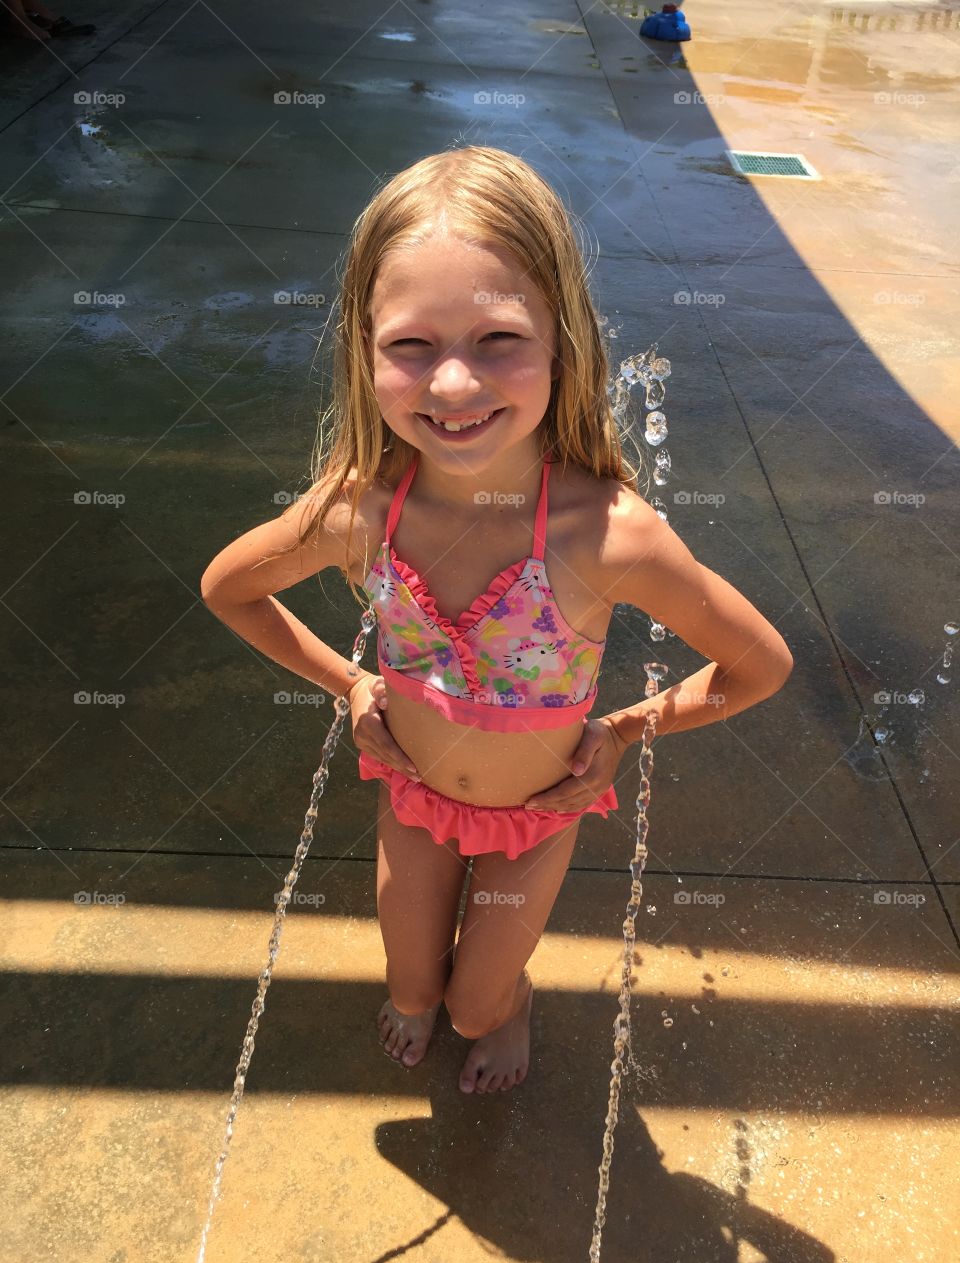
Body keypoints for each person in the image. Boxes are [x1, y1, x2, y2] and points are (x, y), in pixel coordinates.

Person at [199, 145, 793, 1097]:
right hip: (416, 799)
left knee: (473, 1004)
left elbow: (758, 665)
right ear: (365, 351)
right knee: (409, 984)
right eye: (412, 346)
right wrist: (351, 682)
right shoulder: (364, 509)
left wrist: (628, 730)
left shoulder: (607, 534)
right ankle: (429, 995)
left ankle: (508, 1009)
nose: (454, 387)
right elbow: (229, 588)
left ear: (566, 341)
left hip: (536, 815)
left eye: (498, 340)